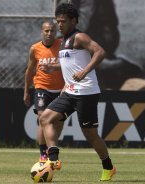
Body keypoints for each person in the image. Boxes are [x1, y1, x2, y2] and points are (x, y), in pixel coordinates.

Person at [39, 3, 116, 181]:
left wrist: (84, 71)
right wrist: (53, 68)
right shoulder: (63, 41)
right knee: (45, 118)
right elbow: (70, 64)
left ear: (74, 21)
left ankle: (108, 166)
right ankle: (53, 159)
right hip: (70, 91)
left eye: (63, 21)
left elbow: (100, 52)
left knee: (90, 133)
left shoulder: (79, 37)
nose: (59, 24)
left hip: (86, 92)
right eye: (57, 21)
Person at [23, 21, 64, 163]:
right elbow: (29, 71)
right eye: (46, 31)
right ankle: (43, 154)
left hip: (60, 89)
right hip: (42, 88)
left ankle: (51, 148)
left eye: (52, 31)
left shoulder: (62, 45)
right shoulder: (35, 48)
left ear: (55, 32)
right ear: (42, 32)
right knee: (43, 118)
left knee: (58, 122)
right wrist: (26, 91)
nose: (49, 33)